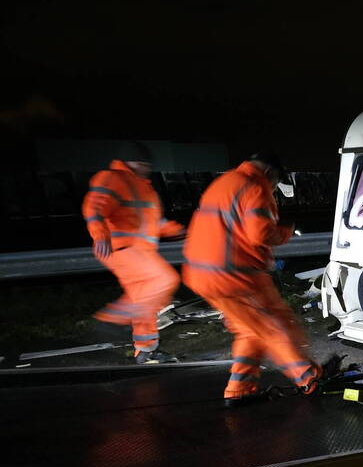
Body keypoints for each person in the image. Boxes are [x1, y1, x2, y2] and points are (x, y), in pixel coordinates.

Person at [182, 152, 322, 407]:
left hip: (202, 273)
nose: (274, 189)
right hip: (234, 274)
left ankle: (238, 389)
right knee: (275, 324)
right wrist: (285, 232)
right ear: (270, 173)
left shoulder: (224, 183)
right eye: (276, 184)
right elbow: (260, 233)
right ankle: (308, 378)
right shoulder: (256, 186)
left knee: (251, 330)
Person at [81, 141, 184, 364]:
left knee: (144, 301)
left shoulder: (144, 188)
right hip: (122, 249)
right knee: (164, 280)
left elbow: (154, 222)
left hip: (138, 250)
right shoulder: (112, 178)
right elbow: (94, 207)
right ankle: (112, 319)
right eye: (145, 165)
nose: (148, 169)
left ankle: (145, 351)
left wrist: (180, 231)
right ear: (135, 163)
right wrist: (99, 233)